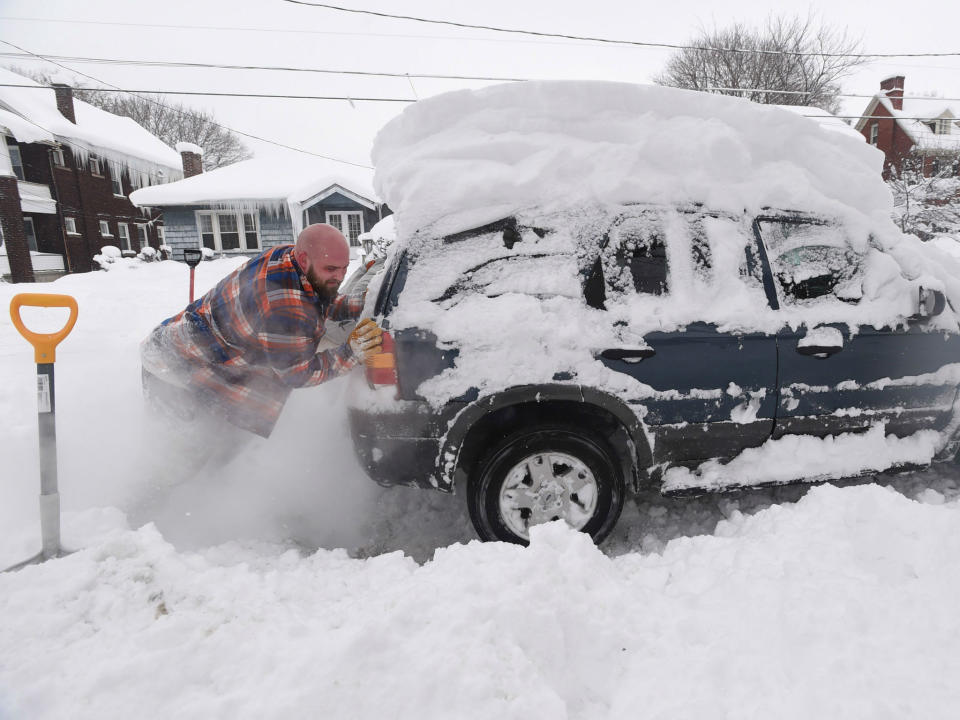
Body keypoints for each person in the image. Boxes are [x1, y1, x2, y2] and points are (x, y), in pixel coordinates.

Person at [140, 223, 383, 475]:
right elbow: (299, 374)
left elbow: (316, 297)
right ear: (303, 258)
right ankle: (137, 510)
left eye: (344, 269)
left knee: (221, 449)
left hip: (199, 357)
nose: (340, 277)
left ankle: (207, 498)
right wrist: (351, 353)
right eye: (331, 269)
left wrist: (362, 303)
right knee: (178, 462)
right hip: (172, 369)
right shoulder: (284, 308)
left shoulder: (290, 258)